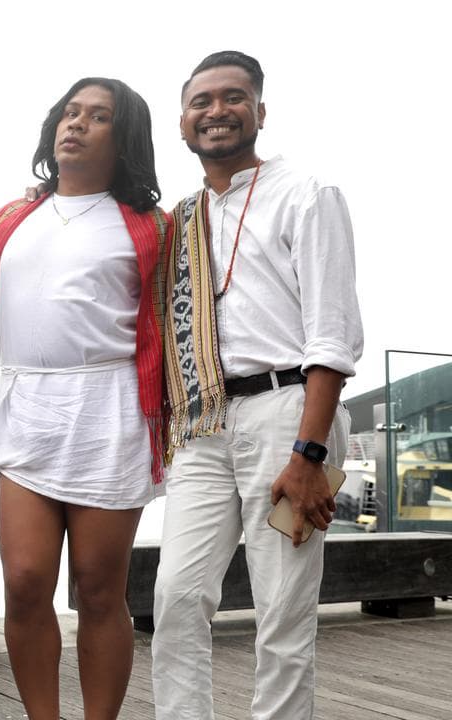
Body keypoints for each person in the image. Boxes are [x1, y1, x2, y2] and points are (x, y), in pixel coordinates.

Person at [0, 78, 169, 720]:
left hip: (110, 407)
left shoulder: (149, 226)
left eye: (98, 117)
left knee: (98, 591)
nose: (77, 125)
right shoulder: (13, 217)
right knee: (28, 582)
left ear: (123, 140)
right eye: (71, 113)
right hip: (28, 406)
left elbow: (182, 320)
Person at [151, 51, 363, 720]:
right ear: (183, 121)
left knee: (282, 607)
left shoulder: (308, 192)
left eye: (233, 97)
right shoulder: (179, 218)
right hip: (204, 424)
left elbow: (333, 335)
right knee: (177, 596)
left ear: (260, 112)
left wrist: (310, 455)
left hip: (289, 415)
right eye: (201, 101)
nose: (216, 110)